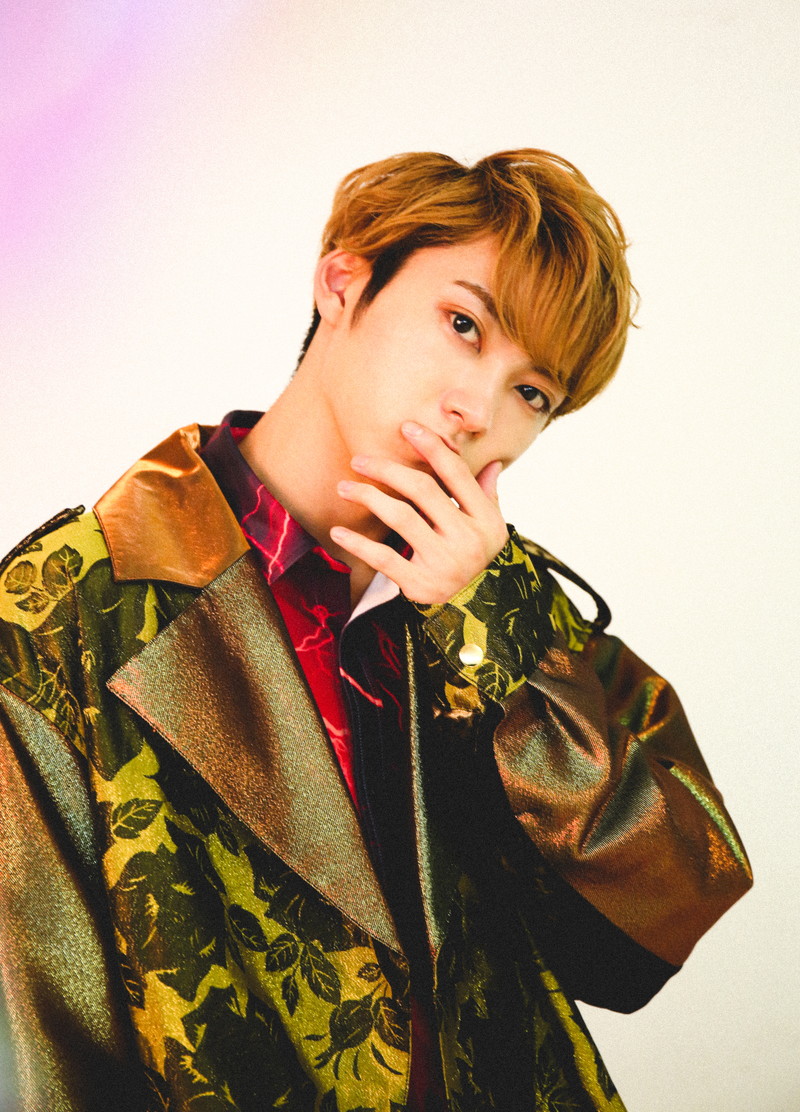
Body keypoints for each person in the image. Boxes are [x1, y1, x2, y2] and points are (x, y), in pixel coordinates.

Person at [0, 150, 751, 1112]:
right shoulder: (67, 606)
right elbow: (38, 1041)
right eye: (463, 324)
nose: (476, 411)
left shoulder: (509, 601)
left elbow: (663, 915)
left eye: (533, 393)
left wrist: (486, 634)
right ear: (343, 281)